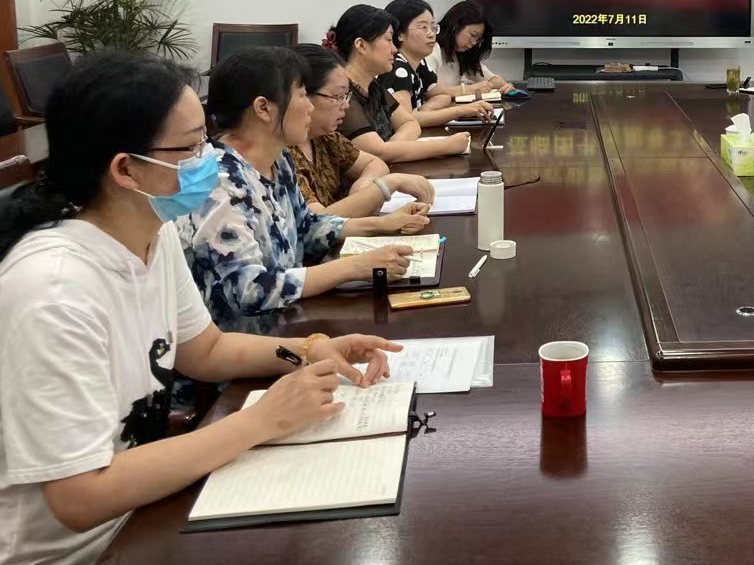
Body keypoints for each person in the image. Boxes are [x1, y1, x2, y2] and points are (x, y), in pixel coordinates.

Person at [0, 51, 401, 565]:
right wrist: (263, 420)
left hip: (148, 511)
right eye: (191, 148)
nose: (209, 158)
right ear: (126, 169)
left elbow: (205, 350)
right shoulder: (53, 291)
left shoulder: (154, 232)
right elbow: (80, 497)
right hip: (81, 550)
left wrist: (310, 348)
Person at [178, 46, 425, 331]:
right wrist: (354, 267)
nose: (309, 107)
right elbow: (249, 289)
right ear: (263, 108)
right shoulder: (220, 182)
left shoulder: (279, 159)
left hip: (292, 320)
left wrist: (381, 225)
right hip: (251, 346)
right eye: (301, 95)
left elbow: (306, 226)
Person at [289, 44, 438, 218]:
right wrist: (386, 186)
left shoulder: (326, 137)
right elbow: (318, 222)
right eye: (337, 96)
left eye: (346, 96)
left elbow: (374, 164)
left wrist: (362, 192)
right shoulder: (283, 153)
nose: (345, 105)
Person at [327, 4, 471, 163]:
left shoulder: (373, 86)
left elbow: (410, 122)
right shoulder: (343, 94)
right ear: (361, 45)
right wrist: (447, 146)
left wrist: (392, 148)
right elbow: (377, 152)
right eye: (388, 40)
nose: (394, 49)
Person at [379, 0, 494, 126]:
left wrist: (425, 110)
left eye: (433, 27)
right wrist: (461, 110)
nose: (432, 34)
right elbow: (406, 121)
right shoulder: (397, 67)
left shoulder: (420, 65)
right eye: (423, 27)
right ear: (400, 34)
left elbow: (443, 94)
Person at [429, 0, 514, 95]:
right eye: (473, 35)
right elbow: (428, 90)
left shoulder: (462, 54)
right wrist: (468, 89)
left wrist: (505, 86)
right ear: (455, 26)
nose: (474, 43)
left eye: (478, 39)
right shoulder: (431, 49)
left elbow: (489, 78)